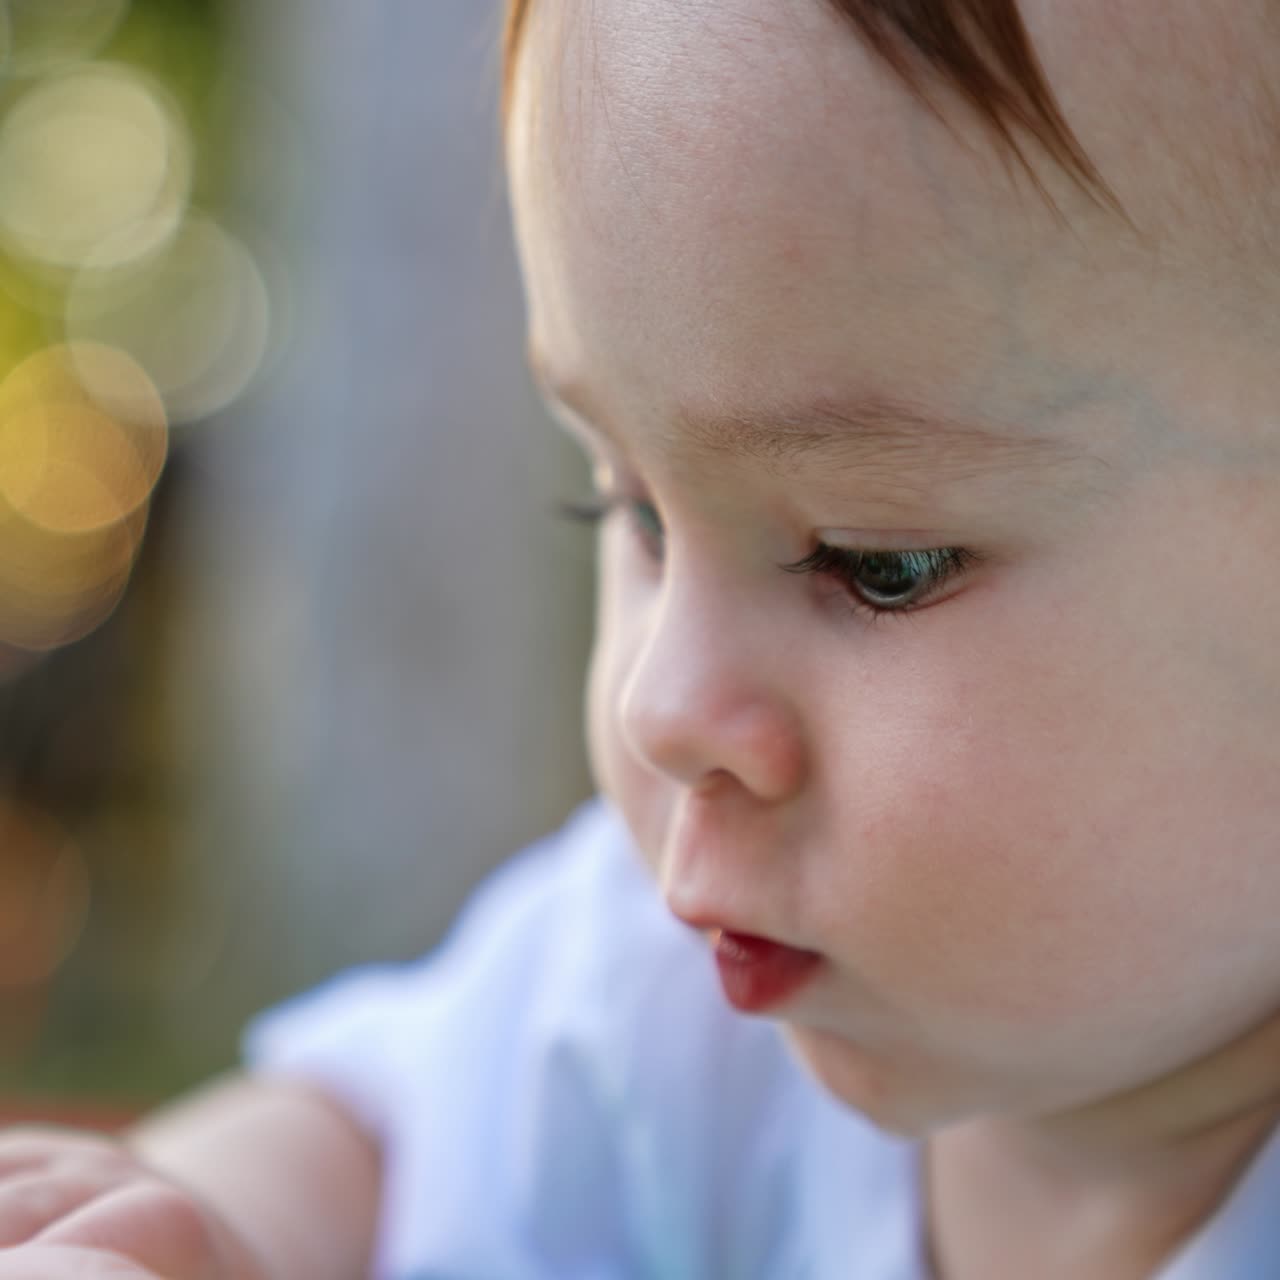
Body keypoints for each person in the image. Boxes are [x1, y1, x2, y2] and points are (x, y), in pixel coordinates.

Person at [6, 0, 1280, 1274]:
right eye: (629, 505)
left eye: (876, 564)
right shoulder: (679, 1009)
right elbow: (369, 1142)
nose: (658, 706)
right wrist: (206, 1228)